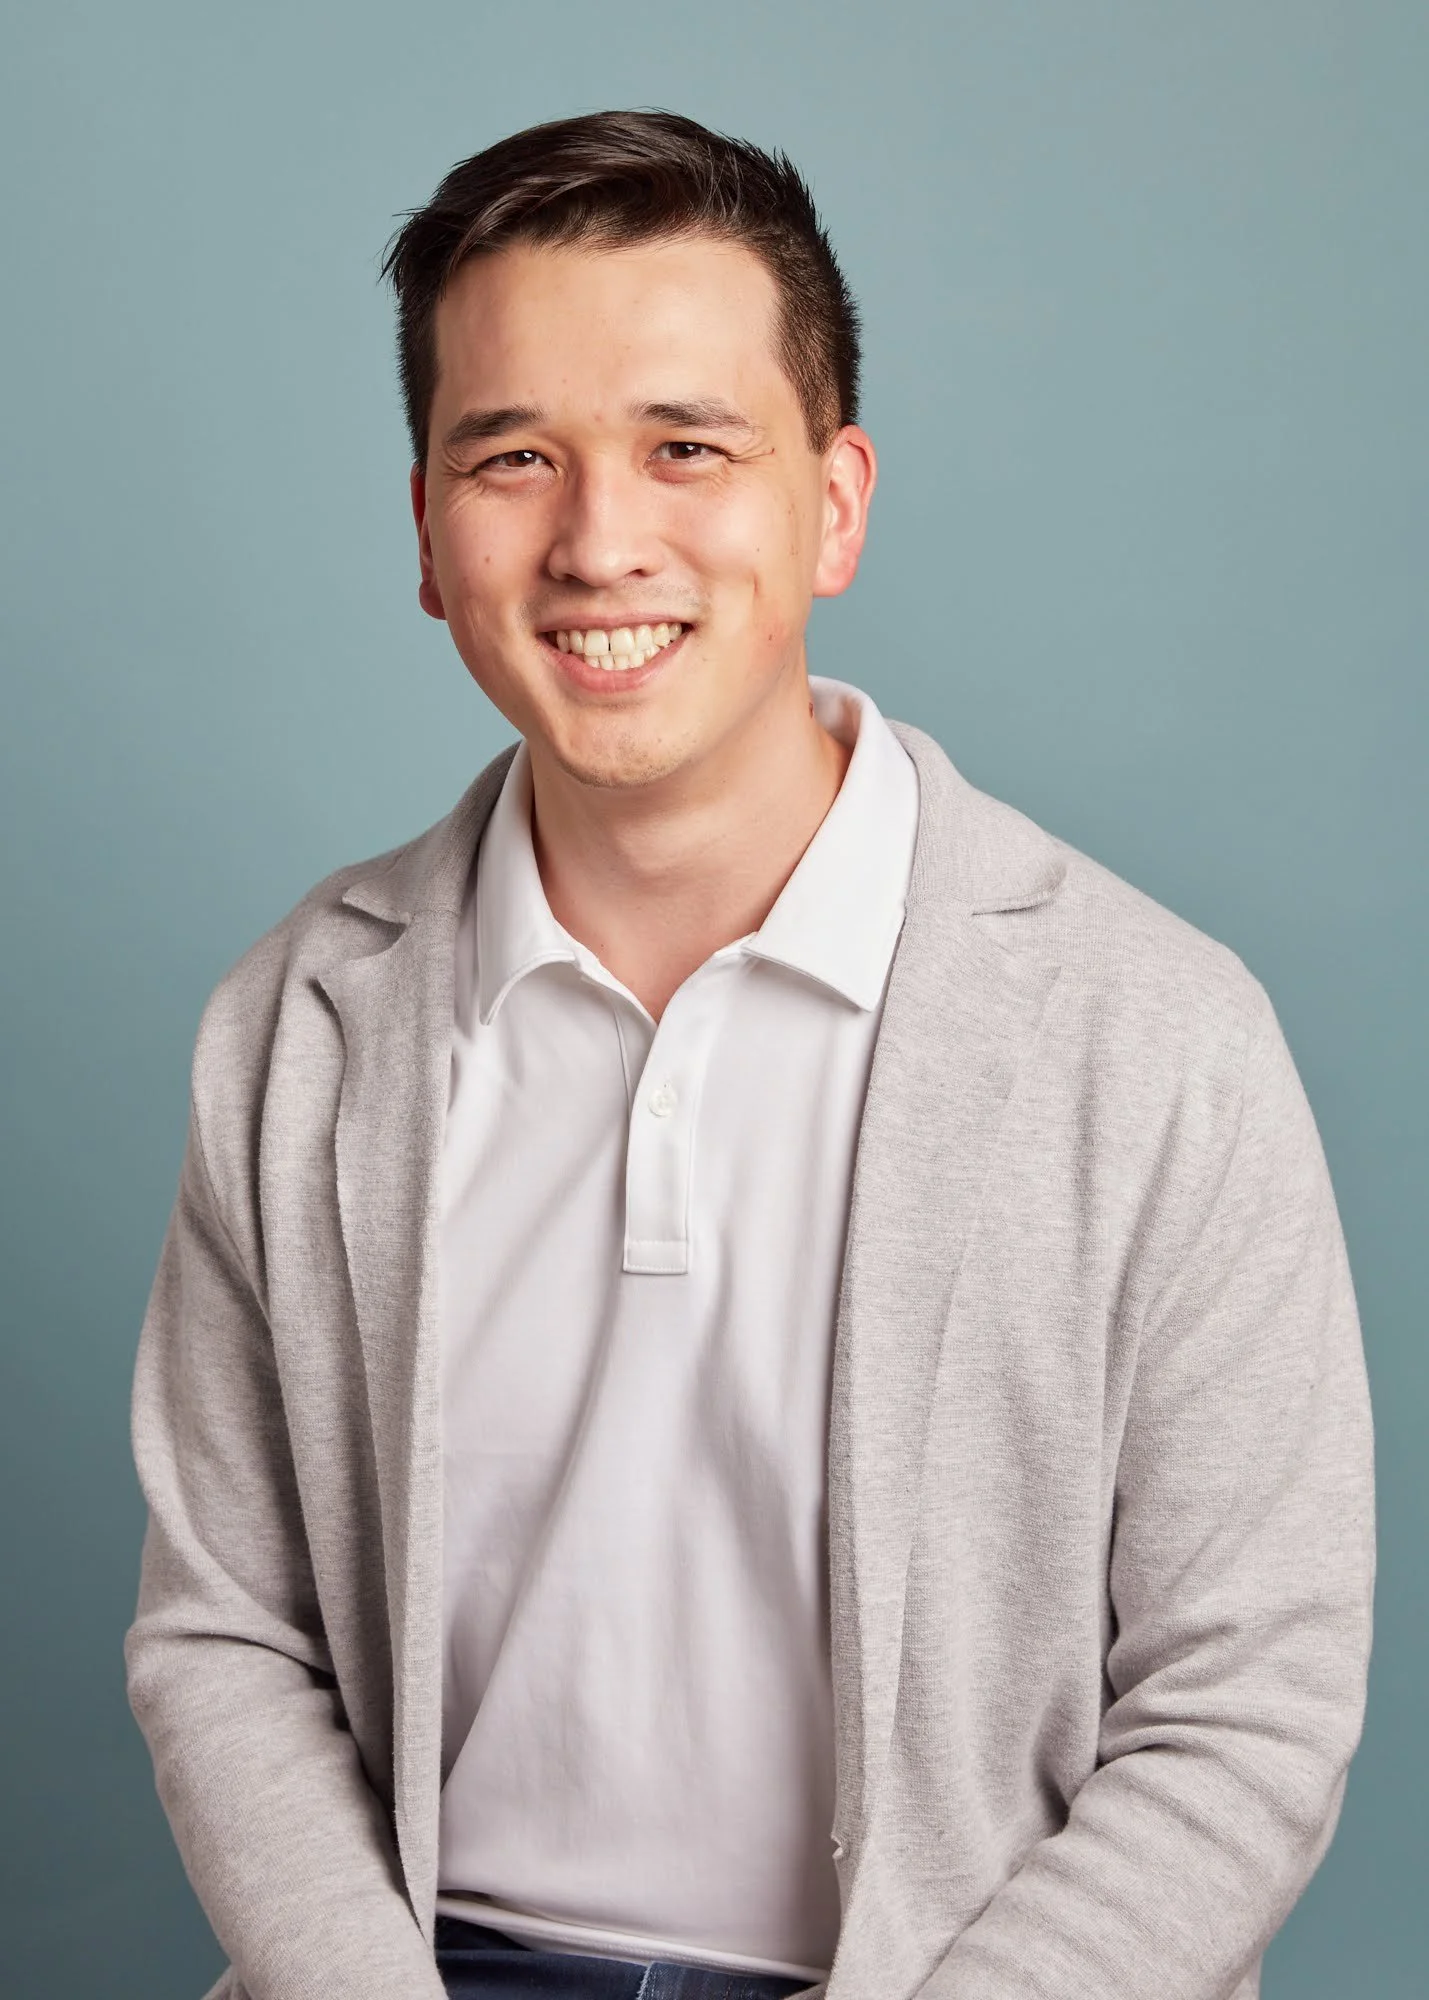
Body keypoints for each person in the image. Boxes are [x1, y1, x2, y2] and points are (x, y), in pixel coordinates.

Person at [125, 111, 1375, 2000]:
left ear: (837, 502)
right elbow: (225, 1637)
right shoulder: (296, 1030)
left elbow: (1249, 1707)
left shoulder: (1159, 1039)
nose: (599, 538)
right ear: (426, 534)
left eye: (687, 447)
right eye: (512, 457)